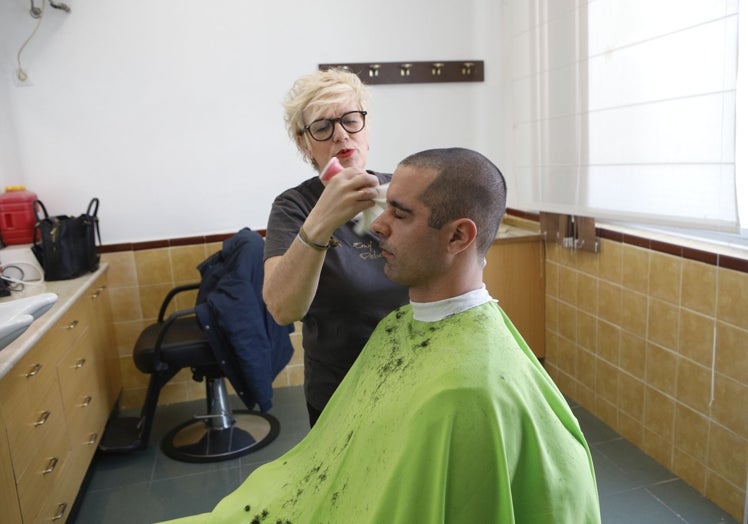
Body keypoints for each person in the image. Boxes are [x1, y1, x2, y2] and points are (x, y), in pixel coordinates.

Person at [160, 148, 601, 523]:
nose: (376, 225)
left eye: (400, 213)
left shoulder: (468, 392)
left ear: (458, 237)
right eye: (385, 207)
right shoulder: (398, 326)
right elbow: (280, 305)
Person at [263, 68, 408, 426]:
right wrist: (321, 221)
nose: (341, 134)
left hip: (414, 382)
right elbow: (282, 309)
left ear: (366, 127)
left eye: (350, 119)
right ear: (304, 143)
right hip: (340, 393)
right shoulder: (293, 207)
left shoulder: (404, 192)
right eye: (323, 127)